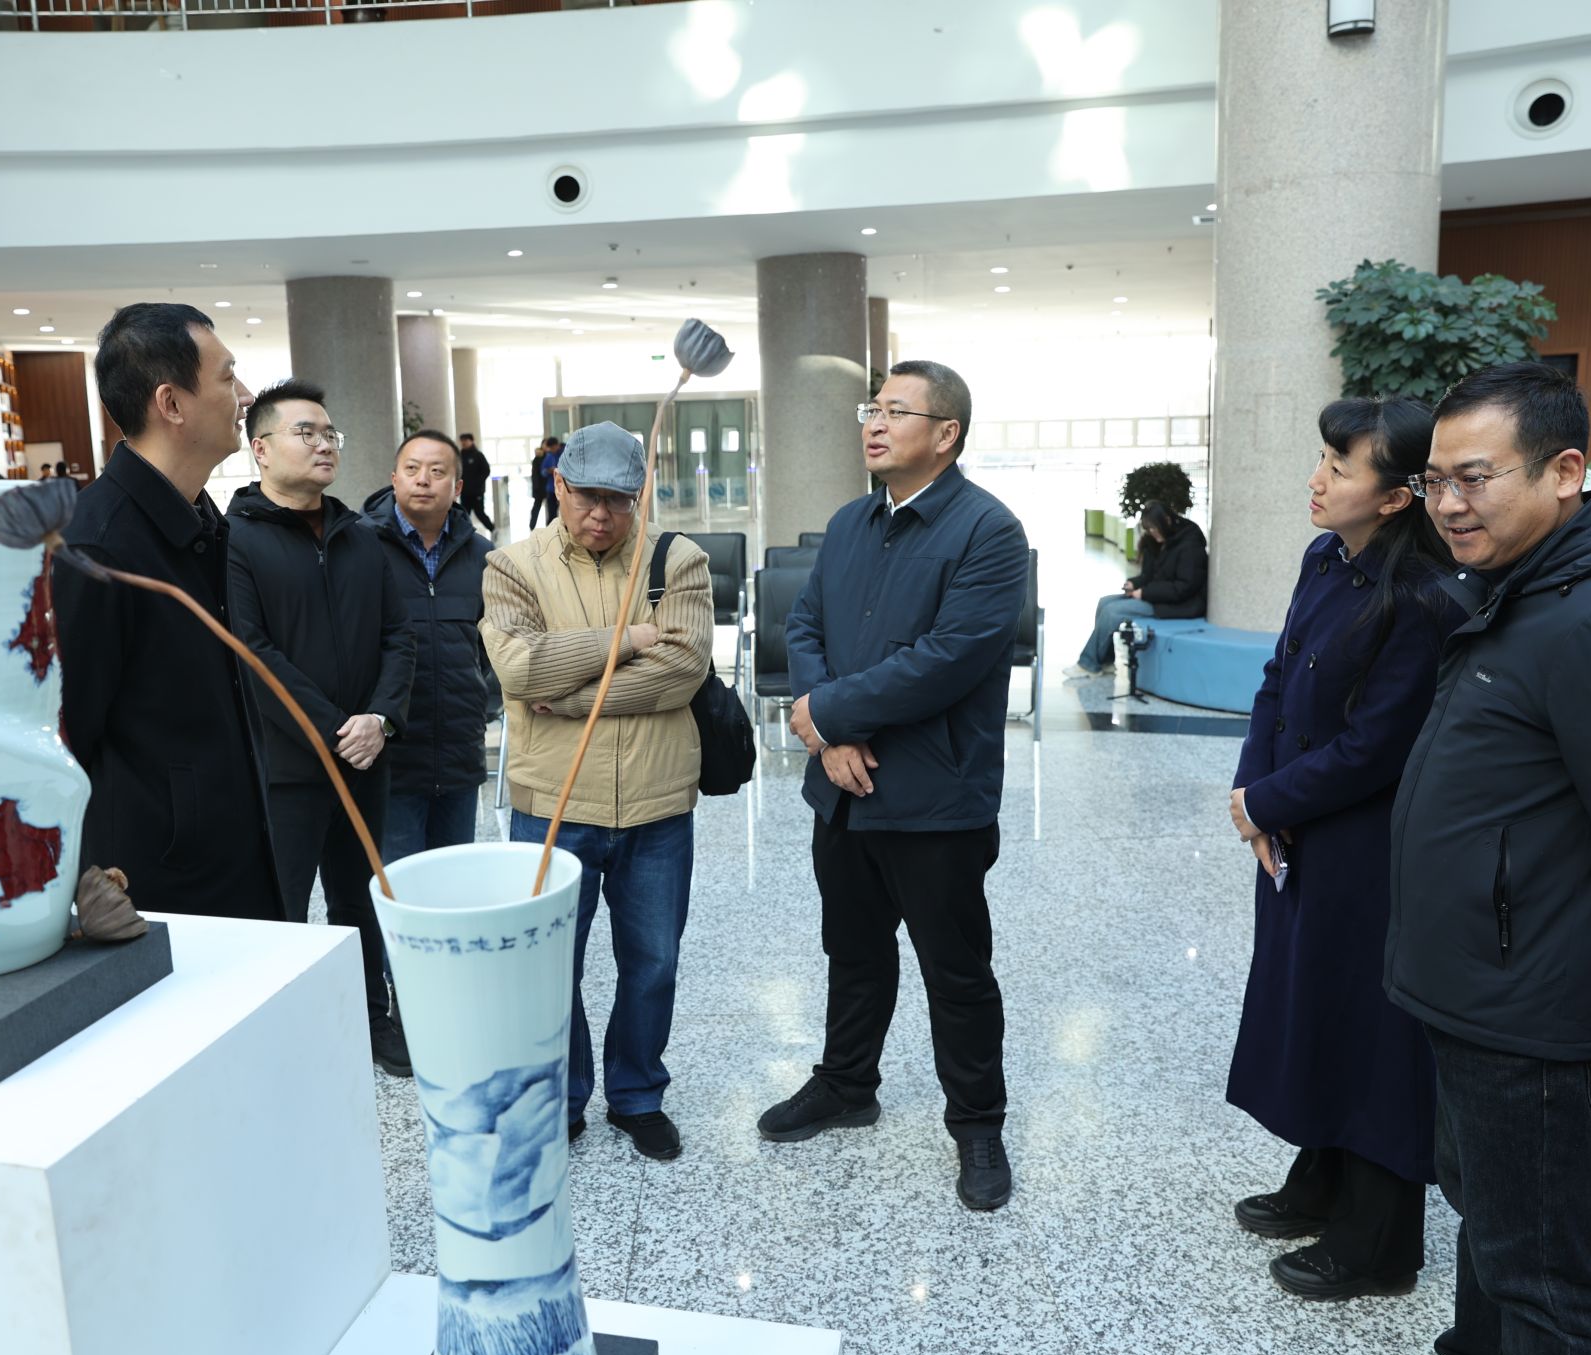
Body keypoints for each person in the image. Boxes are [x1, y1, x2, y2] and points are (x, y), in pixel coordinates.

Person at [1386, 361, 1591, 1355]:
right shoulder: (1527, 588)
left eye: (1473, 478)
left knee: (1547, 1282)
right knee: (1494, 1229)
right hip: (1488, 985)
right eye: (1433, 481)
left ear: (1565, 471)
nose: (1448, 505)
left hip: (1537, 1006)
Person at [764, 360, 1029, 1212]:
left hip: (934, 796)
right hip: (844, 790)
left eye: (895, 411)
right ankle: (847, 1082)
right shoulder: (851, 521)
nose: (874, 424)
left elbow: (948, 658)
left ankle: (978, 1122)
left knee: (955, 969)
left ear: (946, 433)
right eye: (870, 409)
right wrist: (826, 724)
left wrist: (829, 713)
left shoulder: (988, 531)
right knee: (853, 949)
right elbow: (806, 623)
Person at [1225, 397, 1463, 1301]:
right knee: (1311, 1006)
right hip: (1298, 832)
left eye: (1340, 464)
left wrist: (1268, 802)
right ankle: (1322, 1176)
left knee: (1374, 1034)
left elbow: (1375, 749)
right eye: (1322, 457)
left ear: (1397, 497)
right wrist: (1254, 793)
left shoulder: (1423, 599)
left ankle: (1381, 1242)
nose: (1316, 478)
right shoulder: (1324, 558)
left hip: (1371, 851)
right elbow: (1277, 679)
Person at [481, 422, 712, 1160]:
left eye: (618, 500)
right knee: (552, 966)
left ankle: (638, 1093)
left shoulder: (677, 559)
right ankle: (566, 1094)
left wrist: (576, 697)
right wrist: (629, 641)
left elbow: (683, 671)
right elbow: (520, 669)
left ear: (639, 494)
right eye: (586, 497)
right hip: (553, 803)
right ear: (559, 485)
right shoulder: (513, 566)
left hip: (657, 801)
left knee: (654, 961)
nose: (602, 515)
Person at [52, 302, 282, 920]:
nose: (245, 396)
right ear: (171, 403)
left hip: (236, 846)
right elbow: (66, 735)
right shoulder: (97, 546)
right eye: (227, 377)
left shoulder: (202, 519)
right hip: (162, 879)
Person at [227, 380, 416, 1075]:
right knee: (282, 903)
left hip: (367, 758)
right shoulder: (236, 539)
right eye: (305, 432)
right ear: (261, 448)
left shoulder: (362, 537)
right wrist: (339, 728)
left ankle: (371, 1015)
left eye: (329, 432)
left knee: (360, 896)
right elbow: (252, 652)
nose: (324, 443)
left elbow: (400, 636)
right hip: (286, 766)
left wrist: (381, 720)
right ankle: (283, 1026)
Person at [359, 430, 494, 864]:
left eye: (437, 472)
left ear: (457, 487)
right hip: (391, 759)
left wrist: (479, 702)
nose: (423, 480)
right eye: (412, 469)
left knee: (454, 883)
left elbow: (492, 648)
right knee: (401, 886)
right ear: (394, 479)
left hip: (460, 755)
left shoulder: (483, 556)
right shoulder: (359, 548)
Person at [1061, 500, 1207, 678]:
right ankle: (1106, 661)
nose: (1151, 532)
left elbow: (1183, 588)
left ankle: (1088, 664)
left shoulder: (1189, 546)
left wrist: (1144, 593)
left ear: (1167, 521)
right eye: (1149, 529)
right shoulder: (1161, 541)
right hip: (1158, 597)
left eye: (1154, 528)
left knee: (1112, 612)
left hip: (1179, 605)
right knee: (1104, 602)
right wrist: (1135, 584)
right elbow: (1150, 576)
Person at [456, 431, 495, 532]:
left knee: (479, 513)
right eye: (462, 441)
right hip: (464, 491)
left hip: (477, 492)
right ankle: (465, 533)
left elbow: (486, 470)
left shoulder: (478, 455)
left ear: (471, 441)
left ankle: (492, 529)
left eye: (466, 440)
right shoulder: (460, 456)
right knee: (464, 514)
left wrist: (477, 483)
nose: (463, 443)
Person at [528, 437, 563, 529]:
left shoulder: (560, 454)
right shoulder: (545, 457)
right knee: (548, 511)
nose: (549, 449)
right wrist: (548, 471)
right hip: (545, 488)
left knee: (558, 511)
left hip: (556, 488)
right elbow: (540, 472)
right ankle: (534, 526)